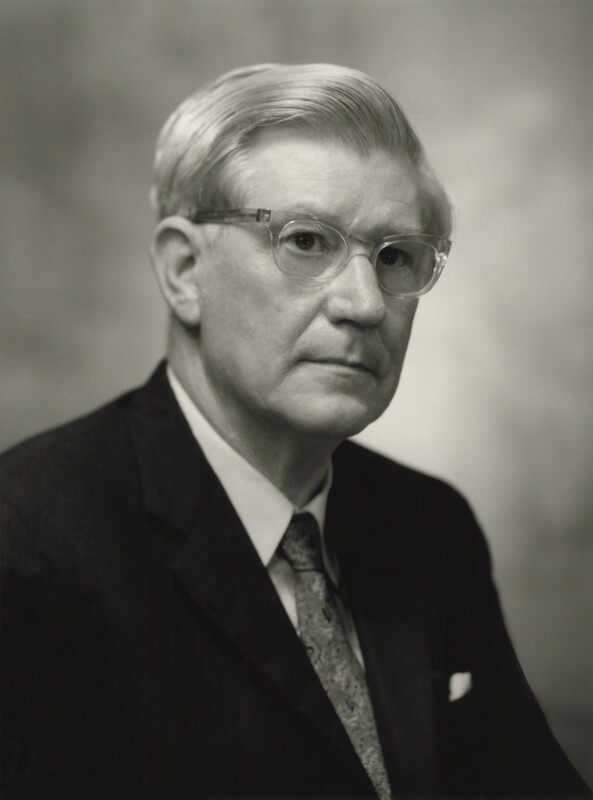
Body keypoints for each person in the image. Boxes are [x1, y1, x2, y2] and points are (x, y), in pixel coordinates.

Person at [0, 63, 589, 800]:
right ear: (184, 271)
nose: (365, 303)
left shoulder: (430, 527)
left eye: (395, 257)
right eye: (307, 241)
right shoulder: (26, 542)